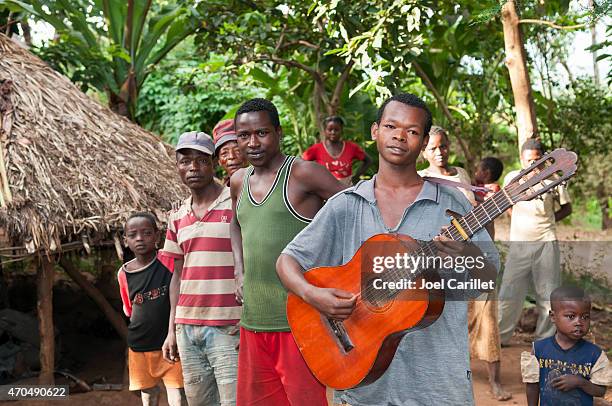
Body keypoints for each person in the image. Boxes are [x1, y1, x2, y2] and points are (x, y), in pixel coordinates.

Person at [277, 93, 499, 405]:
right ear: (375, 131)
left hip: (436, 383)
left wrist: (469, 256)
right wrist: (313, 295)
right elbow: (288, 261)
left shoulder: (452, 206)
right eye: (391, 126)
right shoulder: (346, 205)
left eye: (412, 131)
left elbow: (488, 277)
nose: (399, 135)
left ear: (423, 145)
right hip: (362, 383)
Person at [229, 98, 345, 405]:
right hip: (254, 319)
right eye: (244, 136)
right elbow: (236, 225)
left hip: (299, 322)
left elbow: (355, 212)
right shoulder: (238, 180)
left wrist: (338, 275)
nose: (252, 142)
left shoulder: (304, 174)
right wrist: (239, 271)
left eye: (262, 133)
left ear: (278, 133)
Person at [160, 131, 240, 406]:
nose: (192, 168)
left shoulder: (236, 202)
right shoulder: (177, 216)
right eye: (185, 161)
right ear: (177, 166)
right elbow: (177, 275)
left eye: (201, 161)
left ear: (214, 164)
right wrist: (172, 328)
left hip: (229, 326)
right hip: (187, 328)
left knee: (233, 402)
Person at [498, 138, 572, 345]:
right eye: (529, 160)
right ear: (521, 159)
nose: (533, 165)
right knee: (509, 291)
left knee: (548, 293)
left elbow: (567, 208)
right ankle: (500, 337)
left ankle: (545, 340)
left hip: (546, 241)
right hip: (519, 243)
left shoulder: (554, 179)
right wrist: (519, 220)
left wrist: (548, 222)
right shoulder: (513, 178)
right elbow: (505, 204)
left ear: (545, 159)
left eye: (538, 160)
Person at [118, 212, 185, 406]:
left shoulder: (170, 261)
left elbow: (180, 296)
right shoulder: (123, 273)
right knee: (148, 396)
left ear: (157, 236)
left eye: (147, 233)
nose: (139, 238)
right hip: (139, 345)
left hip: (170, 345)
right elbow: (128, 310)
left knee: (178, 397)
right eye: (133, 235)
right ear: (125, 240)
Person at [521, 286, 611, 406]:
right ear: (553, 317)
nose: (579, 322)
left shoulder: (594, 354)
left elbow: (600, 391)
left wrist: (580, 382)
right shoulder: (539, 349)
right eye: (571, 316)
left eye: (585, 317)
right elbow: (532, 385)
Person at [467, 156, 511, 401]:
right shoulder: (467, 187)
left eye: (479, 168)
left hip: (481, 257)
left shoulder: (492, 192)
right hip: (458, 258)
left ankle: (495, 382)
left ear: (486, 171)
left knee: (488, 319)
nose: (475, 171)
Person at [302, 115, 372, 185]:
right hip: (323, 189)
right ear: (325, 131)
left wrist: (355, 177)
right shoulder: (316, 148)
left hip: (345, 189)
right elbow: (300, 162)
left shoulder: (351, 147)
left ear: (341, 130)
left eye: (336, 129)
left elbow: (368, 160)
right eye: (330, 129)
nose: (333, 132)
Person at [418, 126, 476, 206]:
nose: (439, 152)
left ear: (448, 146)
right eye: (432, 149)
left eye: (443, 147)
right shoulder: (420, 178)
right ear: (424, 153)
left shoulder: (461, 172)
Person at [213, 119, 247, 185]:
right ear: (219, 161)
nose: (231, 156)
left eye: (238, 150)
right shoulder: (221, 191)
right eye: (224, 153)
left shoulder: (265, 182)